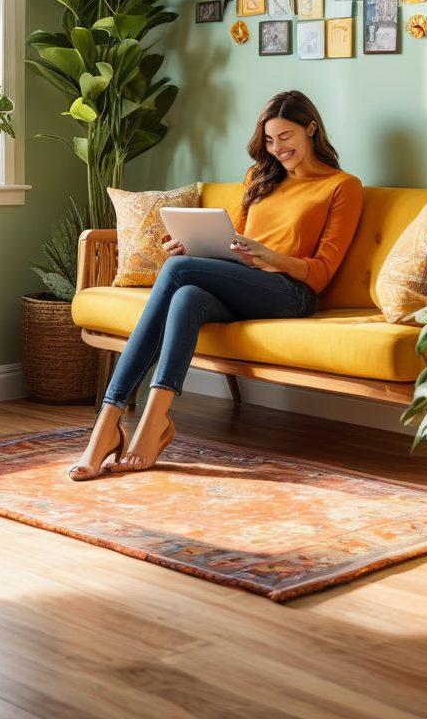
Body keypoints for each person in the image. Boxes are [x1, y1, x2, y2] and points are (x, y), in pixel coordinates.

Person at [68, 90, 363, 480]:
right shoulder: (260, 177)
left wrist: (271, 258)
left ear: (311, 128)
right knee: (187, 295)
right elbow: (233, 241)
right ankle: (151, 421)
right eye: (270, 140)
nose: (278, 149)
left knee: (178, 273)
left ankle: (109, 425)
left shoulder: (343, 186)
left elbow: (322, 272)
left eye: (286, 138)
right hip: (244, 284)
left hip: (292, 293)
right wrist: (190, 246)